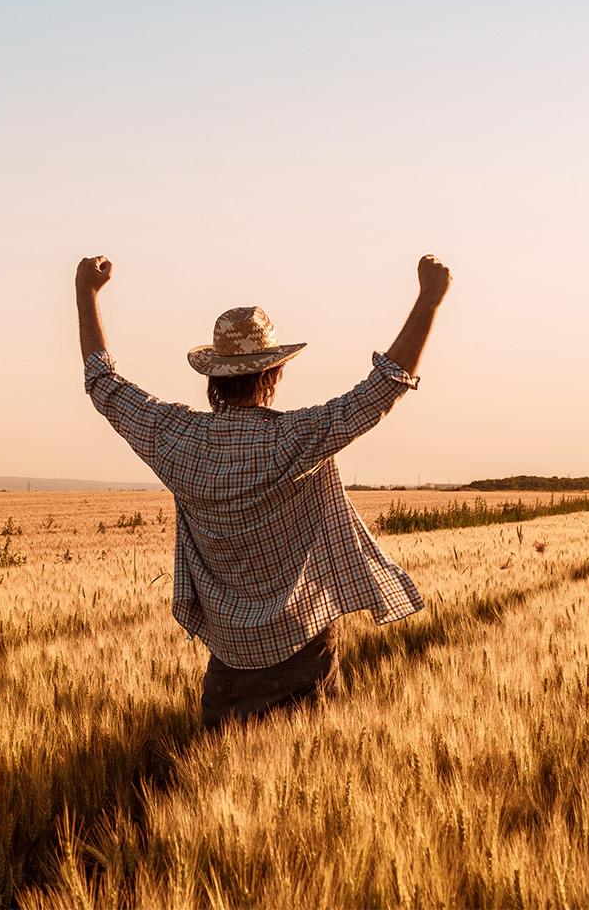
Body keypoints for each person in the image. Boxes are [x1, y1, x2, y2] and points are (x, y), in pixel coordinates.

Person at [75, 254, 451, 730]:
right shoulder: (296, 437)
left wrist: (86, 293)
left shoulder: (174, 438)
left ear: (213, 379)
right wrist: (429, 299)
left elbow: (102, 384)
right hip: (304, 654)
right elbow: (383, 388)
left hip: (228, 662)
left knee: (211, 791)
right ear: (273, 375)